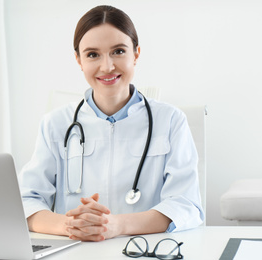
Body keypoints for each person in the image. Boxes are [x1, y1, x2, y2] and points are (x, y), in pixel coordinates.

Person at [19, 5, 204, 242]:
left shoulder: (170, 120)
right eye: (92, 54)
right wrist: (70, 225)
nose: (107, 66)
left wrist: (116, 225)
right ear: (79, 60)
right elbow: (26, 202)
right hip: (76, 253)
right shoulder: (55, 124)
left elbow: (186, 204)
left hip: (144, 250)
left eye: (118, 51)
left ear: (136, 53)